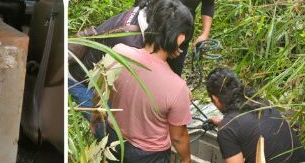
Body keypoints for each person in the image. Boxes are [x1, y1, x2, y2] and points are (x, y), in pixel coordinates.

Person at [101, 0, 194, 163]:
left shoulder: (118, 54)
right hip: (150, 154)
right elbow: (179, 136)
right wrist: (186, 159)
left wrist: (97, 117)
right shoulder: (177, 87)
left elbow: (101, 93)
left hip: (116, 140)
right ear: (180, 38)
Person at [68, 0, 215, 114]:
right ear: (166, 34)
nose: (182, 41)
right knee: (109, 130)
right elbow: (134, 90)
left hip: (106, 77)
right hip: (83, 82)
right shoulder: (130, 46)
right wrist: (177, 86)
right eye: (179, 37)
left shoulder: (147, 16)